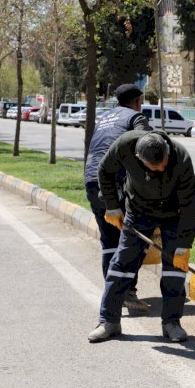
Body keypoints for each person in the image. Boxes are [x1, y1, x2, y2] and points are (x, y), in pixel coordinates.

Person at [88, 130, 195, 343]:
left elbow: (189, 203)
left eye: (164, 162)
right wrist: (112, 206)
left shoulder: (181, 157)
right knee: (122, 265)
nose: (162, 167)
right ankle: (109, 322)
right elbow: (104, 171)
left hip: (173, 215)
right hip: (138, 212)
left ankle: (171, 323)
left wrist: (184, 245)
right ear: (139, 159)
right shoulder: (125, 145)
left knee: (175, 270)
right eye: (155, 166)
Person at [84, 84, 152, 313]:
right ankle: (127, 293)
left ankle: (113, 293)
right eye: (140, 101)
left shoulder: (104, 117)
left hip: (92, 181)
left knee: (109, 240)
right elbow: (147, 145)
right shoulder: (136, 116)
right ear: (137, 101)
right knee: (135, 237)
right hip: (114, 182)